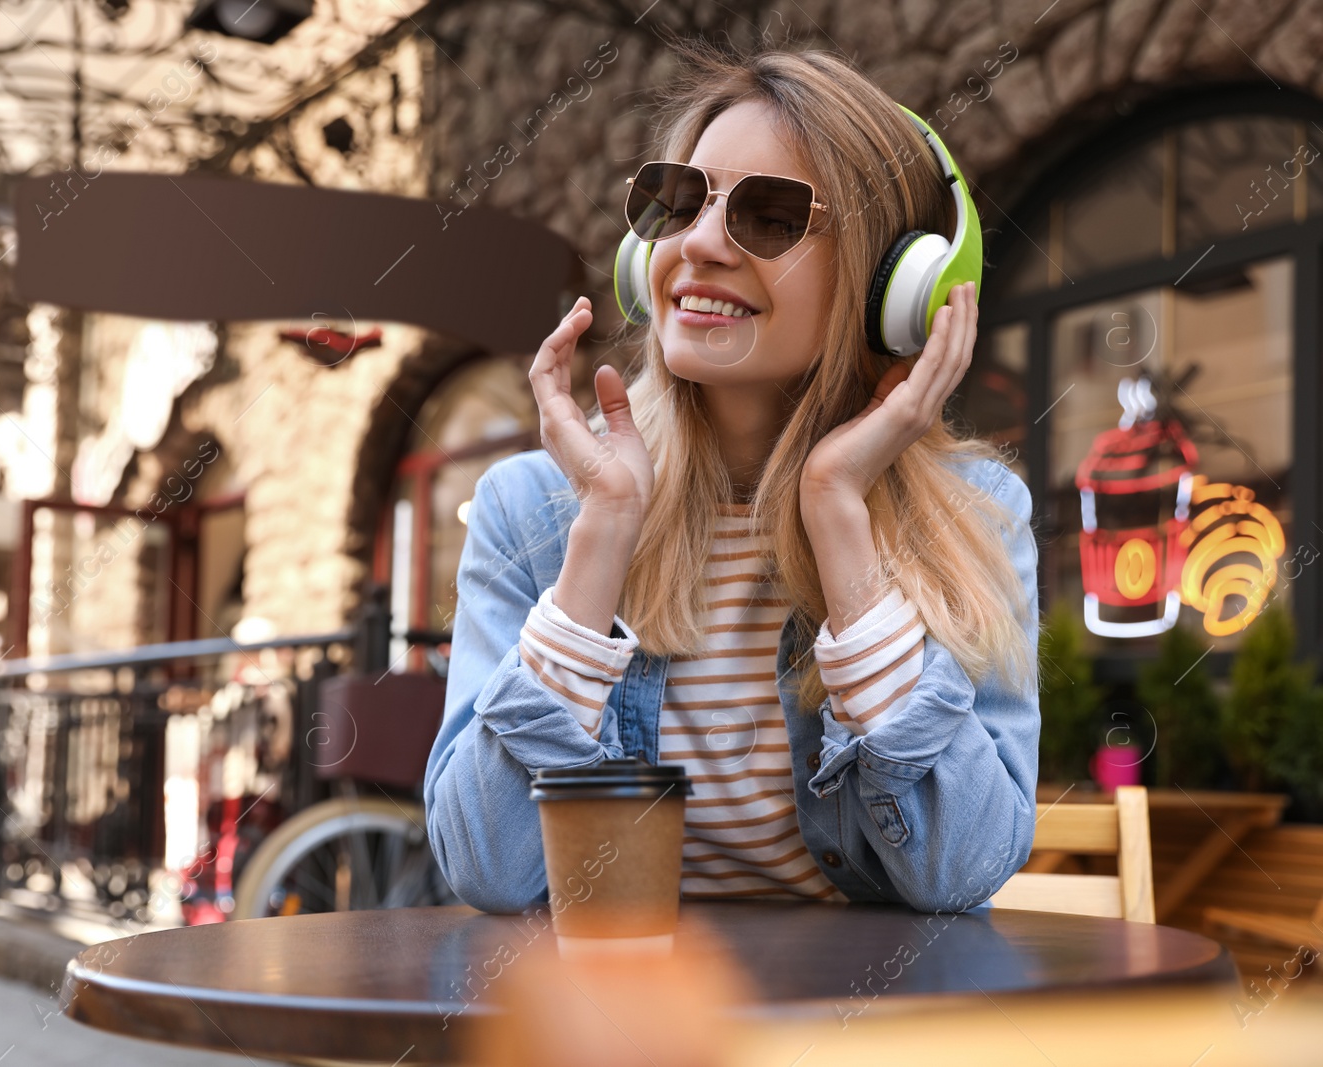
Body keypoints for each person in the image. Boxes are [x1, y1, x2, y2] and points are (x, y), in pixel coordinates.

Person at [423, 43, 1040, 914]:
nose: (701, 242)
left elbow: (962, 869)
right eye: (679, 203)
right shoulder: (532, 508)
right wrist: (602, 534)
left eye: (774, 217)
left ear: (891, 287)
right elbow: (485, 865)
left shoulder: (979, 515)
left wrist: (836, 515)